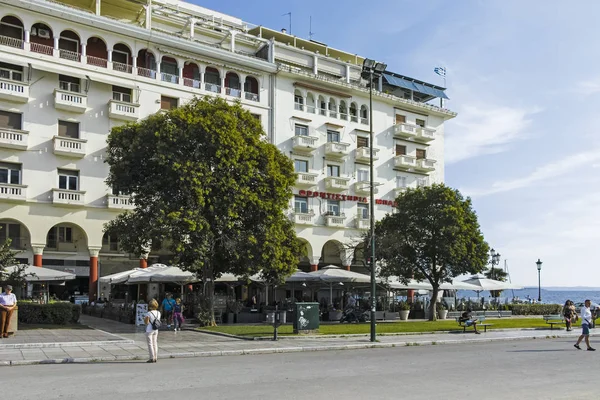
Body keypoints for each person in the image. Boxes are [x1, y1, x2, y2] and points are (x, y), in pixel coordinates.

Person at [144, 298, 161, 363]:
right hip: (156, 329)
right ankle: (155, 357)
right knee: (155, 343)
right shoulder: (158, 313)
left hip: (149, 330)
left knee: (150, 344)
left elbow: (147, 322)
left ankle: (151, 358)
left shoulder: (149, 313)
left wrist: (144, 319)